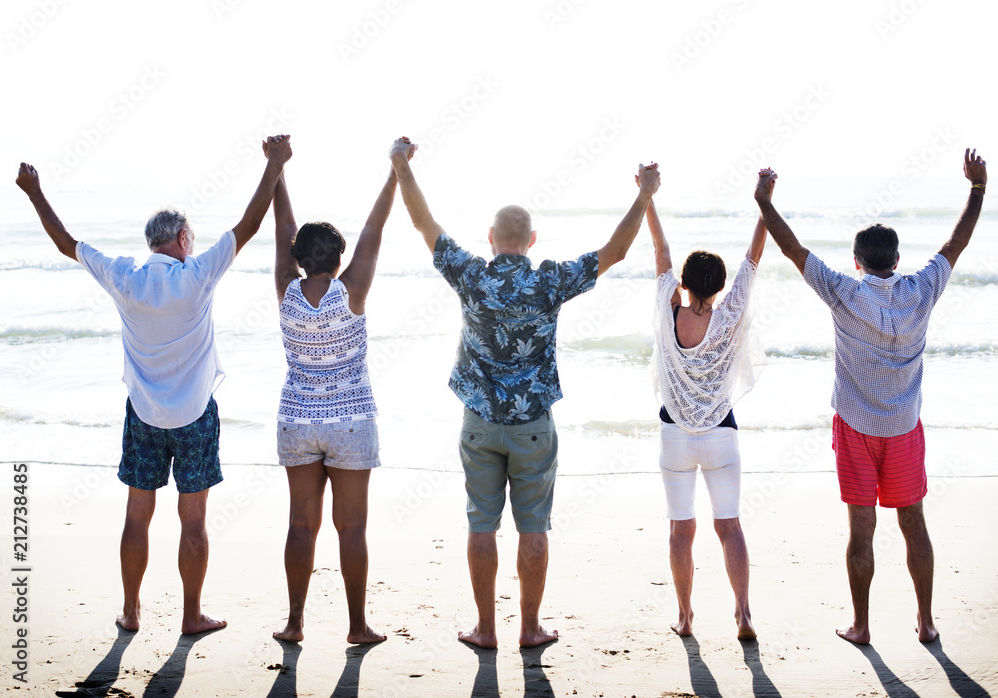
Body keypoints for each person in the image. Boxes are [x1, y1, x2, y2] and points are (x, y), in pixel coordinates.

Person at [388, 136, 660, 648]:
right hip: (533, 427)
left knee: (481, 525)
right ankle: (530, 628)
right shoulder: (549, 282)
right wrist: (644, 195)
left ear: (491, 238)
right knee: (533, 527)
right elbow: (617, 251)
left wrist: (401, 165)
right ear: (532, 240)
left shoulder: (472, 275)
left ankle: (487, 629)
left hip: (478, 425)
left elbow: (423, 224)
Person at [14, 136, 293, 634]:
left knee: (137, 515)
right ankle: (190, 616)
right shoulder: (198, 275)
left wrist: (33, 191)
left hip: (143, 414)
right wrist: (274, 165)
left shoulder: (125, 277)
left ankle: (131, 611)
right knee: (193, 520)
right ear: (184, 238)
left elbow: (66, 244)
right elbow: (248, 227)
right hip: (194, 417)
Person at [753, 148, 987, 645]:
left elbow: (795, 250)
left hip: (857, 428)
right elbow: (956, 243)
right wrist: (978, 188)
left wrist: (765, 203)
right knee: (913, 522)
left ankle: (861, 626)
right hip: (904, 428)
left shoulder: (844, 290)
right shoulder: (922, 288)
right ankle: (925, 622)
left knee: (861, 527)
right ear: (897, 261)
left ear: (857, 262)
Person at [269, 142, 410, 644]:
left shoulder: (286, 288)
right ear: (339, 257)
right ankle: (356, 626)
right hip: (351, 421)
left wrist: (277, 170)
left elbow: (284, 230)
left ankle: (294, 623)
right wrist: (396, 172)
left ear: (297, 259)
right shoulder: (351, 292)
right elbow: (375, 230)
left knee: (300, 526)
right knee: (351, 529)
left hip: (298, 420)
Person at [648, 170, 774, 641]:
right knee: (730, 526)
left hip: (675, 433)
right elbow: (754, 257)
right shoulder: (730, 313)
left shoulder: (668, 309)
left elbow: (660, 252)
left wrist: (647, 196)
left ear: (683, 283)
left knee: (682, 531)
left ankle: (685, 616)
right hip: (721, 432)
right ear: (720, 287)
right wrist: (764, 201)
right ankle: (742, 612)